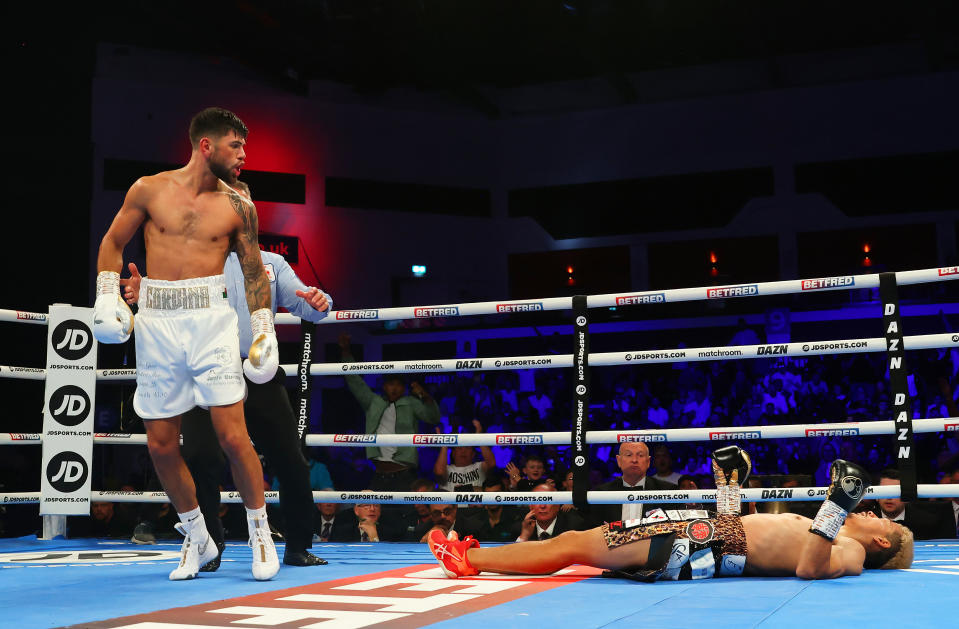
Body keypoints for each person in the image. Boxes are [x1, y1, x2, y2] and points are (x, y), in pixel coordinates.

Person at [93, 107, 279, 581]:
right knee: (159, 444)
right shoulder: (149, 189)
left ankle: (259, 533)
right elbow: (113, 243)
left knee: (233, 436)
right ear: (206, 146)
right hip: (157, 322)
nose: (244, 156)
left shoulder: (240, 206)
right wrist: (106, 295)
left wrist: (263, 327)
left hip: (211, 322)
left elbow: (256, 271)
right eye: (236, 146)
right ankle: (198, 537)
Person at [122, 244, 333, 569]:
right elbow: (168, 305)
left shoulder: (272, 264)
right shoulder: (191, 261)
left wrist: (320, 302)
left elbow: (307, 305)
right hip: (204, 370)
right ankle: (209, 547)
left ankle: (298, 546)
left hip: (257, 371)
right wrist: (145, 294)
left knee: (291, 460)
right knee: (199, 456)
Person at [428, 448, 913, 581]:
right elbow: (738, 534)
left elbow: (809, 569)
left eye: (884, 522)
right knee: (575, 543)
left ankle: (472, 562)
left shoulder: (846, 550)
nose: (872, 512)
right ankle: (475, 559)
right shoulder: (824, 533)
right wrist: (730, 486)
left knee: (571, 545)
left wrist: (836, 506)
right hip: (701, 536)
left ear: (882, 544)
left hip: (690, 544)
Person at [337, 333, 441, 494]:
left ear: (404, 388)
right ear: (384, 386)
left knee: (406, 516)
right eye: (390, 384)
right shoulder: (374, 402)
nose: (394, 388)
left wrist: (425, 396)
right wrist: (346, 352)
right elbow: (354, 381)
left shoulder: (411, 403)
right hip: (379, 474)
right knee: (373, 513)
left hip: (405, 474)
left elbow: (433, 418)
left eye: (398, 385)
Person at [589, 441, 677, 527]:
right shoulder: (601, 494)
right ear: (619, 460)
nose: (634, 460)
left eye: (640, 455)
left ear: (648, 462)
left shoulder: (668, 490)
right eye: (629, 455)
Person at [867, 468, 955, 540]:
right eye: (885, 491)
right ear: (876, 496)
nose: (889, 497)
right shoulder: (866, 524)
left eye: (895, 492)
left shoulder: (927, 522)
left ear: (907, 496)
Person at [434, 420, 497, 491]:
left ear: (473, 454)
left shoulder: (480, 467)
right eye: (460, 448)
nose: (463, 451)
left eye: (467, 448)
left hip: (476, 502)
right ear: (453, 453)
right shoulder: (446, 469)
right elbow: (439, 471)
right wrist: (444, 446)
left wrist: (479, 438)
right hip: (450, 501)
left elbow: (491, 463)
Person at [515, 483, 587, 542]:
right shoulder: (520, 529)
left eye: (548, 500)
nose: (542, 506)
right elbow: (512, 557)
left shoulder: (574, 526)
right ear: (530, 506)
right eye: (538, 501)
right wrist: (524, 536)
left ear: (558, 505)